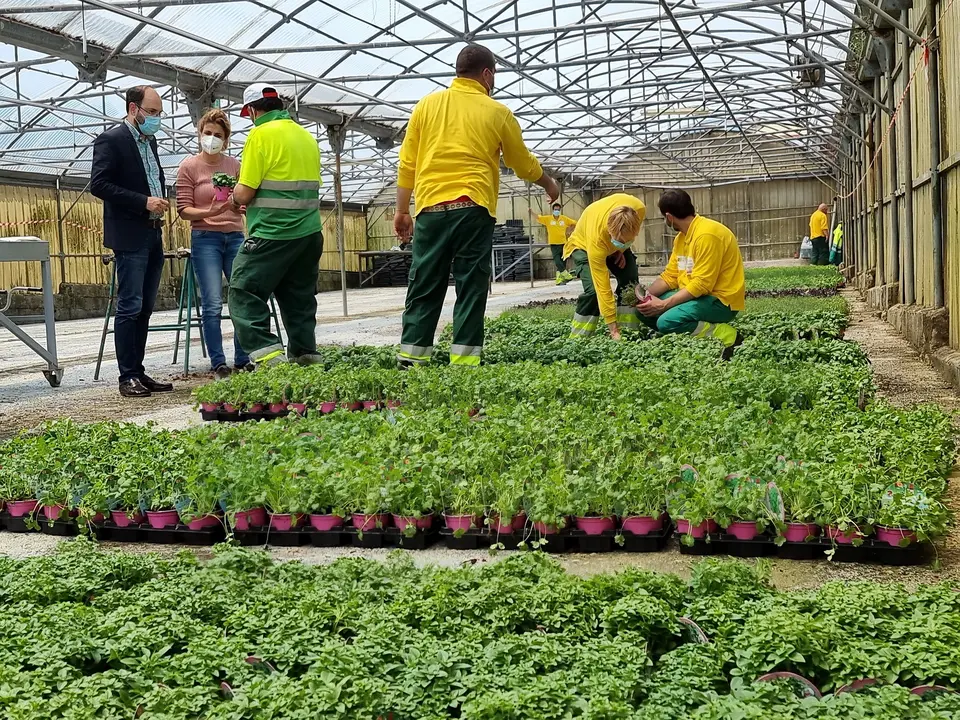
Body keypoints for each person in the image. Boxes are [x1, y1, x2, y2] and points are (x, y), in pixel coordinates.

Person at [394, 44, 560, 368]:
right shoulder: (497, 112)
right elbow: (521, 162)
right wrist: (549, 183)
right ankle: (464, 366)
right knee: (471, 286)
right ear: (487, 74)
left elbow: (407, 163)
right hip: (472, 207)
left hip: (430, 209)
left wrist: (402, 210)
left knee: (424, 284)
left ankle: (411, 362)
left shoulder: (426, 105)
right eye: (494, 74)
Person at [228, 84, 323, 367]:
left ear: (253, 111)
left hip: (272, 232)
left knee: (243, 291)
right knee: (299, 300)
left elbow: (245, 192)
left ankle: (270, 359)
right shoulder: (305, 136)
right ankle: (306, 358)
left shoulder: (260, 134)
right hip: (308, 235)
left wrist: (234, 199)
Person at [91, 86, 174, 399]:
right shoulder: (112, 140)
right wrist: (143, 201)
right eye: (151, 112)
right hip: (129, 233)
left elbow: (151, 178)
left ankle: (138, 372)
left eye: (158, 114)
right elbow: (98, 184)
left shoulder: (148, 142)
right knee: (130, 305)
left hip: (153, 231)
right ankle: (127, 377)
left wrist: (157, 203)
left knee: (146, 306)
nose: (155, 118)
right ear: (132, 108)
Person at [176, 108, 250, 379]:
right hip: (205, 238)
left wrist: (241, 208)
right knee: (212, 302)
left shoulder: (235, 166)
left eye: (217, 135)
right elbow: (183, 209)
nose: (211, 138)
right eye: (207, 133)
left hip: (234, 236)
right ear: (199, 134)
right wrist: (209, 212)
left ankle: (243, 357)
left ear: (226, 140)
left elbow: (245, 198)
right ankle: (218, 361)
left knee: (240, 296)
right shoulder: (189, 167)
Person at [638, 189, 745, 359]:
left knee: (666, 321)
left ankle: (727, 335)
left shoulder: (707, 235)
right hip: (697, 296)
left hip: (720, 302)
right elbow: (670, 276)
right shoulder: (681, 238)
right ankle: (674, 331)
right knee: (643, 309)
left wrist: (665, 304)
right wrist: (646, 296)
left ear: (669, 217)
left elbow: (702, 284)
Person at [563, 193, 646, 341]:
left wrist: (620, 249)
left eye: (626, 240)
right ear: (609, 231)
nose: (623, 242)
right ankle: (578, 340)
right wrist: (612, 328)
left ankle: (629, 332)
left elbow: (624, 236)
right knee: (593, 291)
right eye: (618, 241)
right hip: (583, 245)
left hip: (609, 241)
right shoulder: (596, 239)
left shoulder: (639, 209)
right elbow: (603, 287)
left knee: (630, 279)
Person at [530, 203, 576, 285]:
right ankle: (566, 275)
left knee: (563, 261)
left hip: (563, 243)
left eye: (558, 210)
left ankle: (559, 279)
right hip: (554, 243)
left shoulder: (564, 219)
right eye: (555, 210)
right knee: (557, 260)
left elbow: (574, 223)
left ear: (560, 210)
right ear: (553, 210)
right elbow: (538, 218)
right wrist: (531, 212)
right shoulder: (548, 219)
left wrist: (569, 231)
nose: (557, 211)